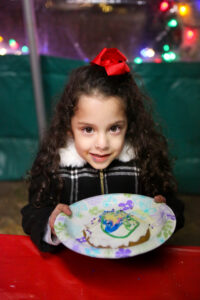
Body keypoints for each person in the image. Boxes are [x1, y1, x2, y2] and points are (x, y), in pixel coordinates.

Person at [21, 48, 184, 252]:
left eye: (114, 128)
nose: (102, 144)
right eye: (88, 129)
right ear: (69, 127)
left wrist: (165, 211)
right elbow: (32, 212)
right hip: (77, 270)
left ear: (129, 125)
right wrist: (49, 222)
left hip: (133, 267)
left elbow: (176, 206)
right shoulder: (54, 163)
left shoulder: (145, 159)